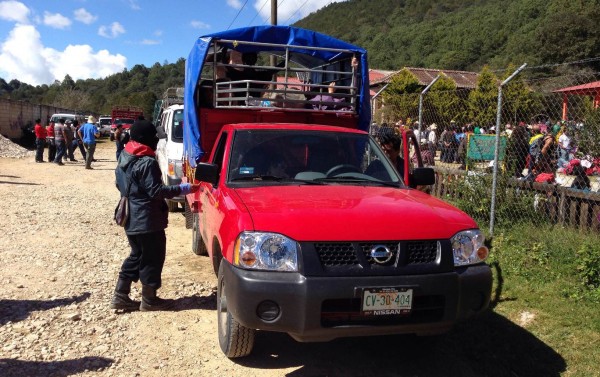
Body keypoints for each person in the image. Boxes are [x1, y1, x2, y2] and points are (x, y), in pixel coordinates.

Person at [110, 119, 200, 311]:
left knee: (137, 254)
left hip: (129, 216)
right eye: (154, 138)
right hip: (147, 219)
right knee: (153, 256)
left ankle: (120, 295)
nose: (157, 141)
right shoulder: (147, 162)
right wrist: (183, 188)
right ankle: (149, 300)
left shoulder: (125, 155)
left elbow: (119, 184)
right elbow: (156, 192)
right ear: (146, 139)